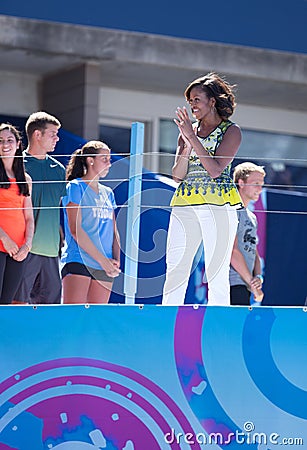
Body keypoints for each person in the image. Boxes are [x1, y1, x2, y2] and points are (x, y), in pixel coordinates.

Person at [162, 72, 243, 306]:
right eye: (190, 101)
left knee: (216, 269)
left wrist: (192, 138)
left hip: (218, 206)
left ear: (212, 101)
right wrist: (186, 144)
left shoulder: (231, 131)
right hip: (184, 204)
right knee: (175, 266)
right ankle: (168, 318)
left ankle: (217, 326)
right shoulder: (187, 131)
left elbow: (216, 169)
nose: (192, 105)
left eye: (196, 99)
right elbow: (177, 175)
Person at [14, 111, 66, 304]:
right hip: (23, 250)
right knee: (17, 306)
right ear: (37, 135)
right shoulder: (17, 166)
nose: (57, 138)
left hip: (52, 253)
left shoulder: (59, 170)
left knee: (50, 311)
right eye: (53, 134)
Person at [61, 140, 121, 304]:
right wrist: (103, 261)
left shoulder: (108, 192)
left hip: (105, 266)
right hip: (79, 260)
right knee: (73, 319)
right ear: (90, 160)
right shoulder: (75, 186)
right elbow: (75, 230)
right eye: (104, 158)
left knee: (95, 321)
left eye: (109, 159)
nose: (109, 163)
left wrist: (115, 260)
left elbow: (114, 230)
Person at [0, 123, 34, 304]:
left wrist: (27, 246)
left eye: (10, 140)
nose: (5, 144)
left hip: (18, 252)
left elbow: (29, 217)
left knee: (6, 304)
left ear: (19, 144)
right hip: (2, 245)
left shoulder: (26, 179)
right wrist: (5, 238)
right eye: (0, 141)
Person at [230, 162, 266, 305]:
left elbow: (254, 251)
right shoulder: (231, 210)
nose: (259, 188)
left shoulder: (252, 217)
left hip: (245, 285)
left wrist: (258, 278)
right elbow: (233, 252)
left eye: (261, 184)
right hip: (232, 284)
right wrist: (252, 284)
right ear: (241, 183)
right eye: (255, 183)